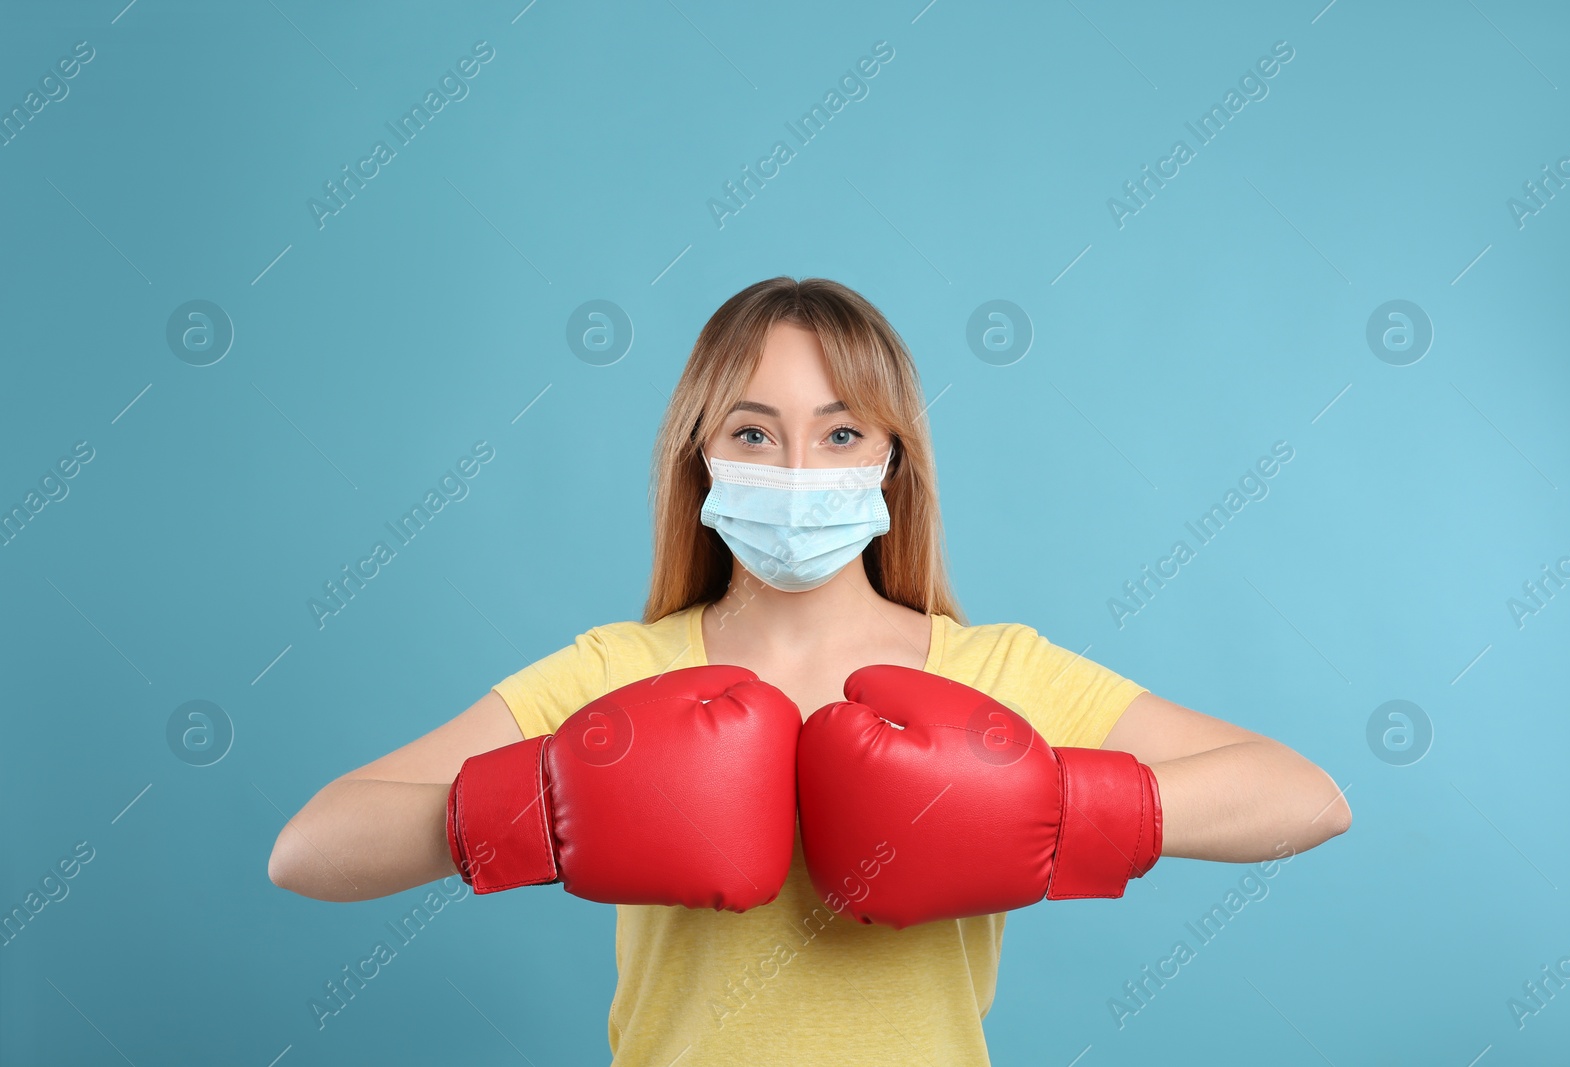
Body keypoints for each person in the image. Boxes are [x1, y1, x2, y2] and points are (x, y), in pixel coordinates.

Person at [268, 276, 1352, 1065]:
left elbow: (1307, 795)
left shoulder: (991, 673)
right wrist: (538, 803)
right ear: (697, 455)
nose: (797, 469)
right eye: (753, 430)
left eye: (840, 434)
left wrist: (1059, 802)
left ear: (892, 457)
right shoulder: (620, 673)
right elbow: (308, 846)